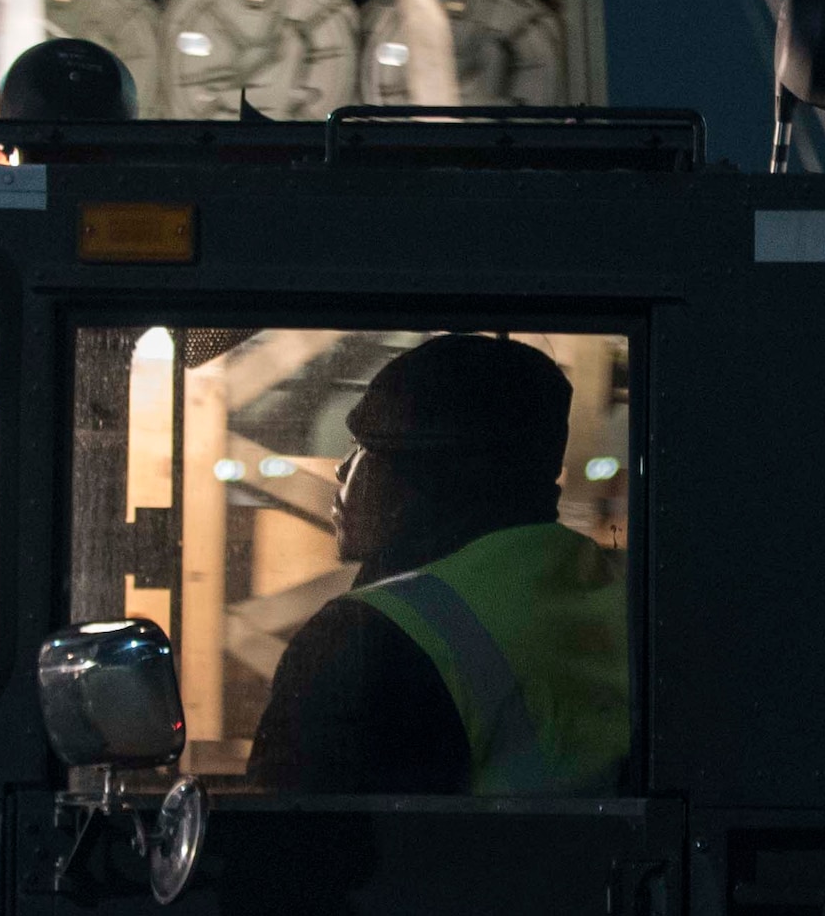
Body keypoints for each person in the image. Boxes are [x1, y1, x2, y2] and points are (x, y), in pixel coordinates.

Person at [247, 333, 628, 795]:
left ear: (425, 476)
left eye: (366, 446)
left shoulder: (368, 638)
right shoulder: (622, 595)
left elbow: (288, 848)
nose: (342, 468)